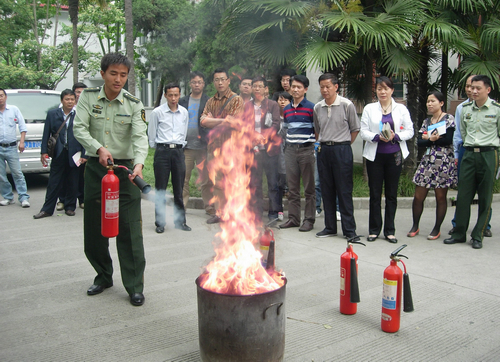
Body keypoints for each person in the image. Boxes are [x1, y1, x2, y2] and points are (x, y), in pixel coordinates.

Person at [73, 52, 148, 306]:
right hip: (96, 169)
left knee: (129, 229)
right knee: (95, 228)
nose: (118, 79)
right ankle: (103, 275)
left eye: (123, 75)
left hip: (126, 172)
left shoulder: (133, 103)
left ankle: (135, 285)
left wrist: (138, 164)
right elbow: (79, 128)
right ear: (103, 73)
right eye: (113, 73)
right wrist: (98, 148)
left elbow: (140, 137)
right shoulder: (88, 97)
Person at [444, 75, 500, 249]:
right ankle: (460, 232)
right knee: (463, 196)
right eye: (471, 88)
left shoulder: (497, 109)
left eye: (478, 88)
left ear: (488, 90)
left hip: (489, 154)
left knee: (485, 197)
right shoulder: (465, 109)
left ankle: (478, 235)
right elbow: (462, 132)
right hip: (468, 153)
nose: (473, 91)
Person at [360, 76, 414, 243]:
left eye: (386, 89)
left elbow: (410, 131)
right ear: (376, 91)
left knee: (391, 194)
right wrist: (377, 137)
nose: (382, 92)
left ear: (392, 90)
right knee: (375, 193)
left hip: (394, 156)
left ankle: (390, 231)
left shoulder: (401, 109)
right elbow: (363, 131)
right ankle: (374, 230)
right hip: (375, 156)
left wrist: (395, 136)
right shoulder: (369, 108)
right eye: (379, 89)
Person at [313, 73, 360, 239]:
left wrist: (343, 144)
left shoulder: (347, 105)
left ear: (336, 87)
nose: (325, 90)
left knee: (344, 190)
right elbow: (317, 130)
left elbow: (355, 129)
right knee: (327, 189)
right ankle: (330, 227)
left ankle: (349, 230)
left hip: (342, 150)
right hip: (324, 150)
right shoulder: (318, 107)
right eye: (322, 87)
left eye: (328, 86)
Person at [407, 91, 457, 240]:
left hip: (443, 162)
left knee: (440, 197)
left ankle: (437, 229)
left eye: (432, 101)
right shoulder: (427, 122)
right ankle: (415, 225)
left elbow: (447, 139)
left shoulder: (448, 118)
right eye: (428, 101)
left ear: (441, 103)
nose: (429, 104)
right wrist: (432, 139)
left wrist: (430, 138)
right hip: (428, 161)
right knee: (418, 196)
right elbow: (420, 142)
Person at [33, 89, 87, 219]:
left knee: (73, 181)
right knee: (54, 182)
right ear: (62, 100)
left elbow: (85, 135)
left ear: (75, 101)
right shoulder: (53, 114)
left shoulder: (80, 114)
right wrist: (43, 152)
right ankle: (47, 209)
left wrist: (85, 155)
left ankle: (70, 207)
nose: (69, 102)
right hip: (58, 152)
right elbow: (46, 134)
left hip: (75, 153)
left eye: (72, 99)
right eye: (67, 99)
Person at [200, 67, 245, 224]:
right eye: (216, 80)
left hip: (232, 149)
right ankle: (220, 213)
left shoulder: (236, 99)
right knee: (217, 183)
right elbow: (203, 121)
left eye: (222, 79)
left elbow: (234, 124)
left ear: (228, 81)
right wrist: (223, 120)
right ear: (213, 82)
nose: (220, 82)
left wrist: (213, 121)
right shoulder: (210, 101)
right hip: (214, 148)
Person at [148, 83, 191, 233]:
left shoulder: (184, 112)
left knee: (179, 188)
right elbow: (152, 135)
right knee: (161, 188)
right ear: (165, 95)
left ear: (179, 95)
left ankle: (180, 221)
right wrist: (160, 148)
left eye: (176, 95)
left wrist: (179, 146)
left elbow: (184, 131)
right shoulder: (157, 112)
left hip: (178, 153)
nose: (173, 98)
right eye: (170, 95)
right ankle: (160, 223)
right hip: (162, 152)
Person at [279, 74, 316, 232]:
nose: (295, 89)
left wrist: (315, 147)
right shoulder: (286, 109)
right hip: (290, 151)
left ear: (305, 89)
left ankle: (309, 220)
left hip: (306, 150)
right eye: (293, 86)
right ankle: (293, 218)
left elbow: (317, 130)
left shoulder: (311, 108)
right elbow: (285, 130)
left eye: (299, 87)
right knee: (292, 188)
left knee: (309, 188)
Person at [243, 76, 282, 223]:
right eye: (255, 86)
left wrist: (262, 136)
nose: (257, 89)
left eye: (260, 86)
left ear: (266, 89)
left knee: (272, 183)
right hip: (253, 151)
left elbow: (276, 125)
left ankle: (273, 212)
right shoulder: (247, 106)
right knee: (255, 183)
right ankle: (256, 212)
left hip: (270, 150)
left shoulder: (272, 105)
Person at [179, 71, 214, 215]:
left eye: (199, 82)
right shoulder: (182, 101)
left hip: (203, 146)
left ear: (203, 84)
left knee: (206, 179)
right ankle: (182, 205)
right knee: (183, 177)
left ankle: (209, 206)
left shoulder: (209, 101)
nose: (197, 84)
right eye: (194, 82)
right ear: (190, 84)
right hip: (186, 146)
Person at [56, 82, 88, 212]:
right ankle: (62, 200)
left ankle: (81, 199)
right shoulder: (62, 109)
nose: (80, 95)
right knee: (64, 176)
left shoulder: (87, 108)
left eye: (82, 92)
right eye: (78, 92)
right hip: (64, 148)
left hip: (80, 148)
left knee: (79, 176)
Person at [0, 88, 30, 207]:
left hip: (11, 147)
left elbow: (23, 127)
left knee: (17, 173)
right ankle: (8, 197)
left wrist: (21, 142)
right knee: (1, 175)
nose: (0, 98)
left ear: (5, 97)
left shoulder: (13, 110)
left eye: (1, 95)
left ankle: (23, 197)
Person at [276, 91, 292, 220]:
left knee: (292, 183)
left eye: (285, 100)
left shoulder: (292, 116)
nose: (282, 102)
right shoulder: (273, 117)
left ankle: (292, 211)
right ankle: (279, 209)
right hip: (277, 154)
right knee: (279, 182)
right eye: (280, 99)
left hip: (291, 153)